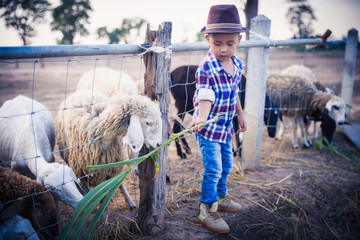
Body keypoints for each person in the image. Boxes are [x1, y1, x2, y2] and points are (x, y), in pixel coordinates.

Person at [187, 4, 248, 234]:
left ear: (239, 40)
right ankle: (206, 208)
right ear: (207, 39)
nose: (223, 49)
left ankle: (219, 197)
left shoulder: (237, 64)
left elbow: (234, 92)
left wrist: (240, 113)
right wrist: (201, 118)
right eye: (217, 43)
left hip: (225, 128)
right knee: (213, 169)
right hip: (209, 129)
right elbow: (205, 95)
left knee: (227, 166)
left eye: (229, 43)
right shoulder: (206, 68)